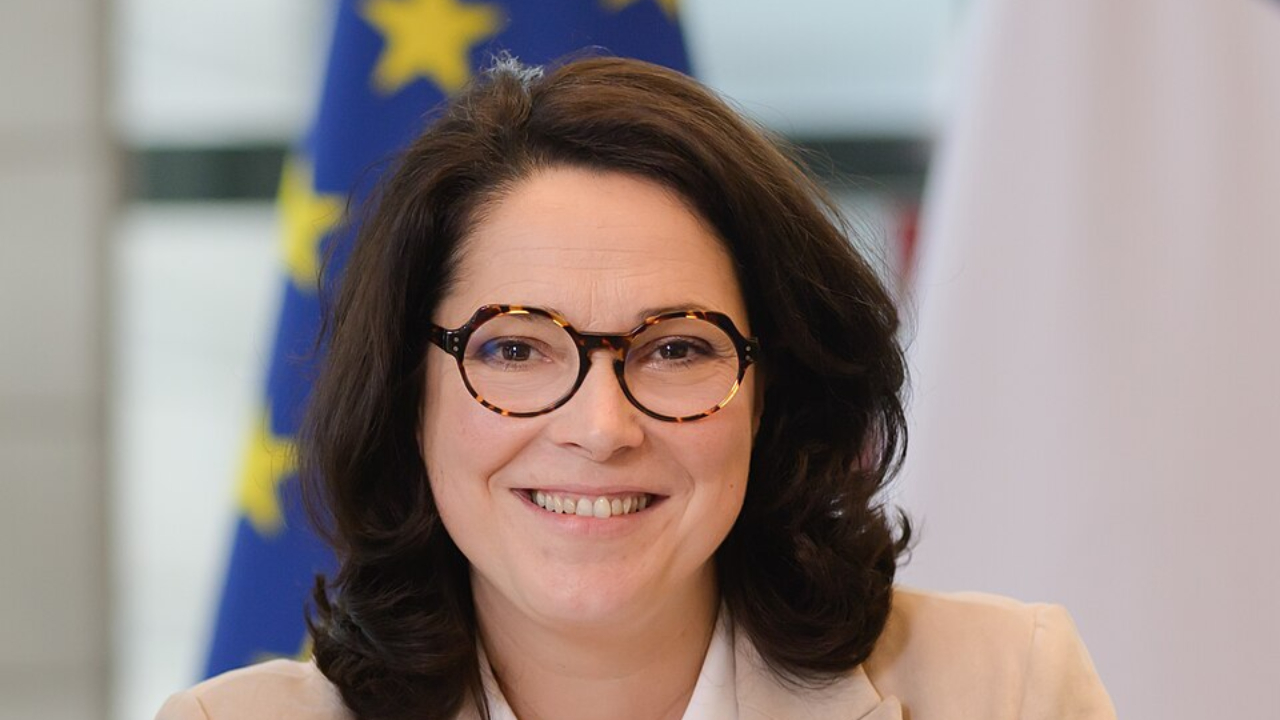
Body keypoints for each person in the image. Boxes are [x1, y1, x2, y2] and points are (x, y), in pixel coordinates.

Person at [157, 56, 1115, 720]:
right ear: (411, 396)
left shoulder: (1008, 690)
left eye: (679, 349)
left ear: (772, 393)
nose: (601, 425)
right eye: (515, 349)